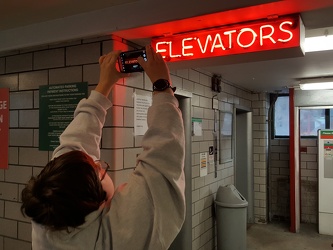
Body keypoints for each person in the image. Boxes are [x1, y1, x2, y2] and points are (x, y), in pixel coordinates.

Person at [21, 45, 186, 250]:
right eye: (99, 169)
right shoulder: (117, 238)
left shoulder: (46, 216)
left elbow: (74, 144)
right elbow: (163, 160)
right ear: (94, 200)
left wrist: (105, 84)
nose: (99, 163)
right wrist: (162, 86)